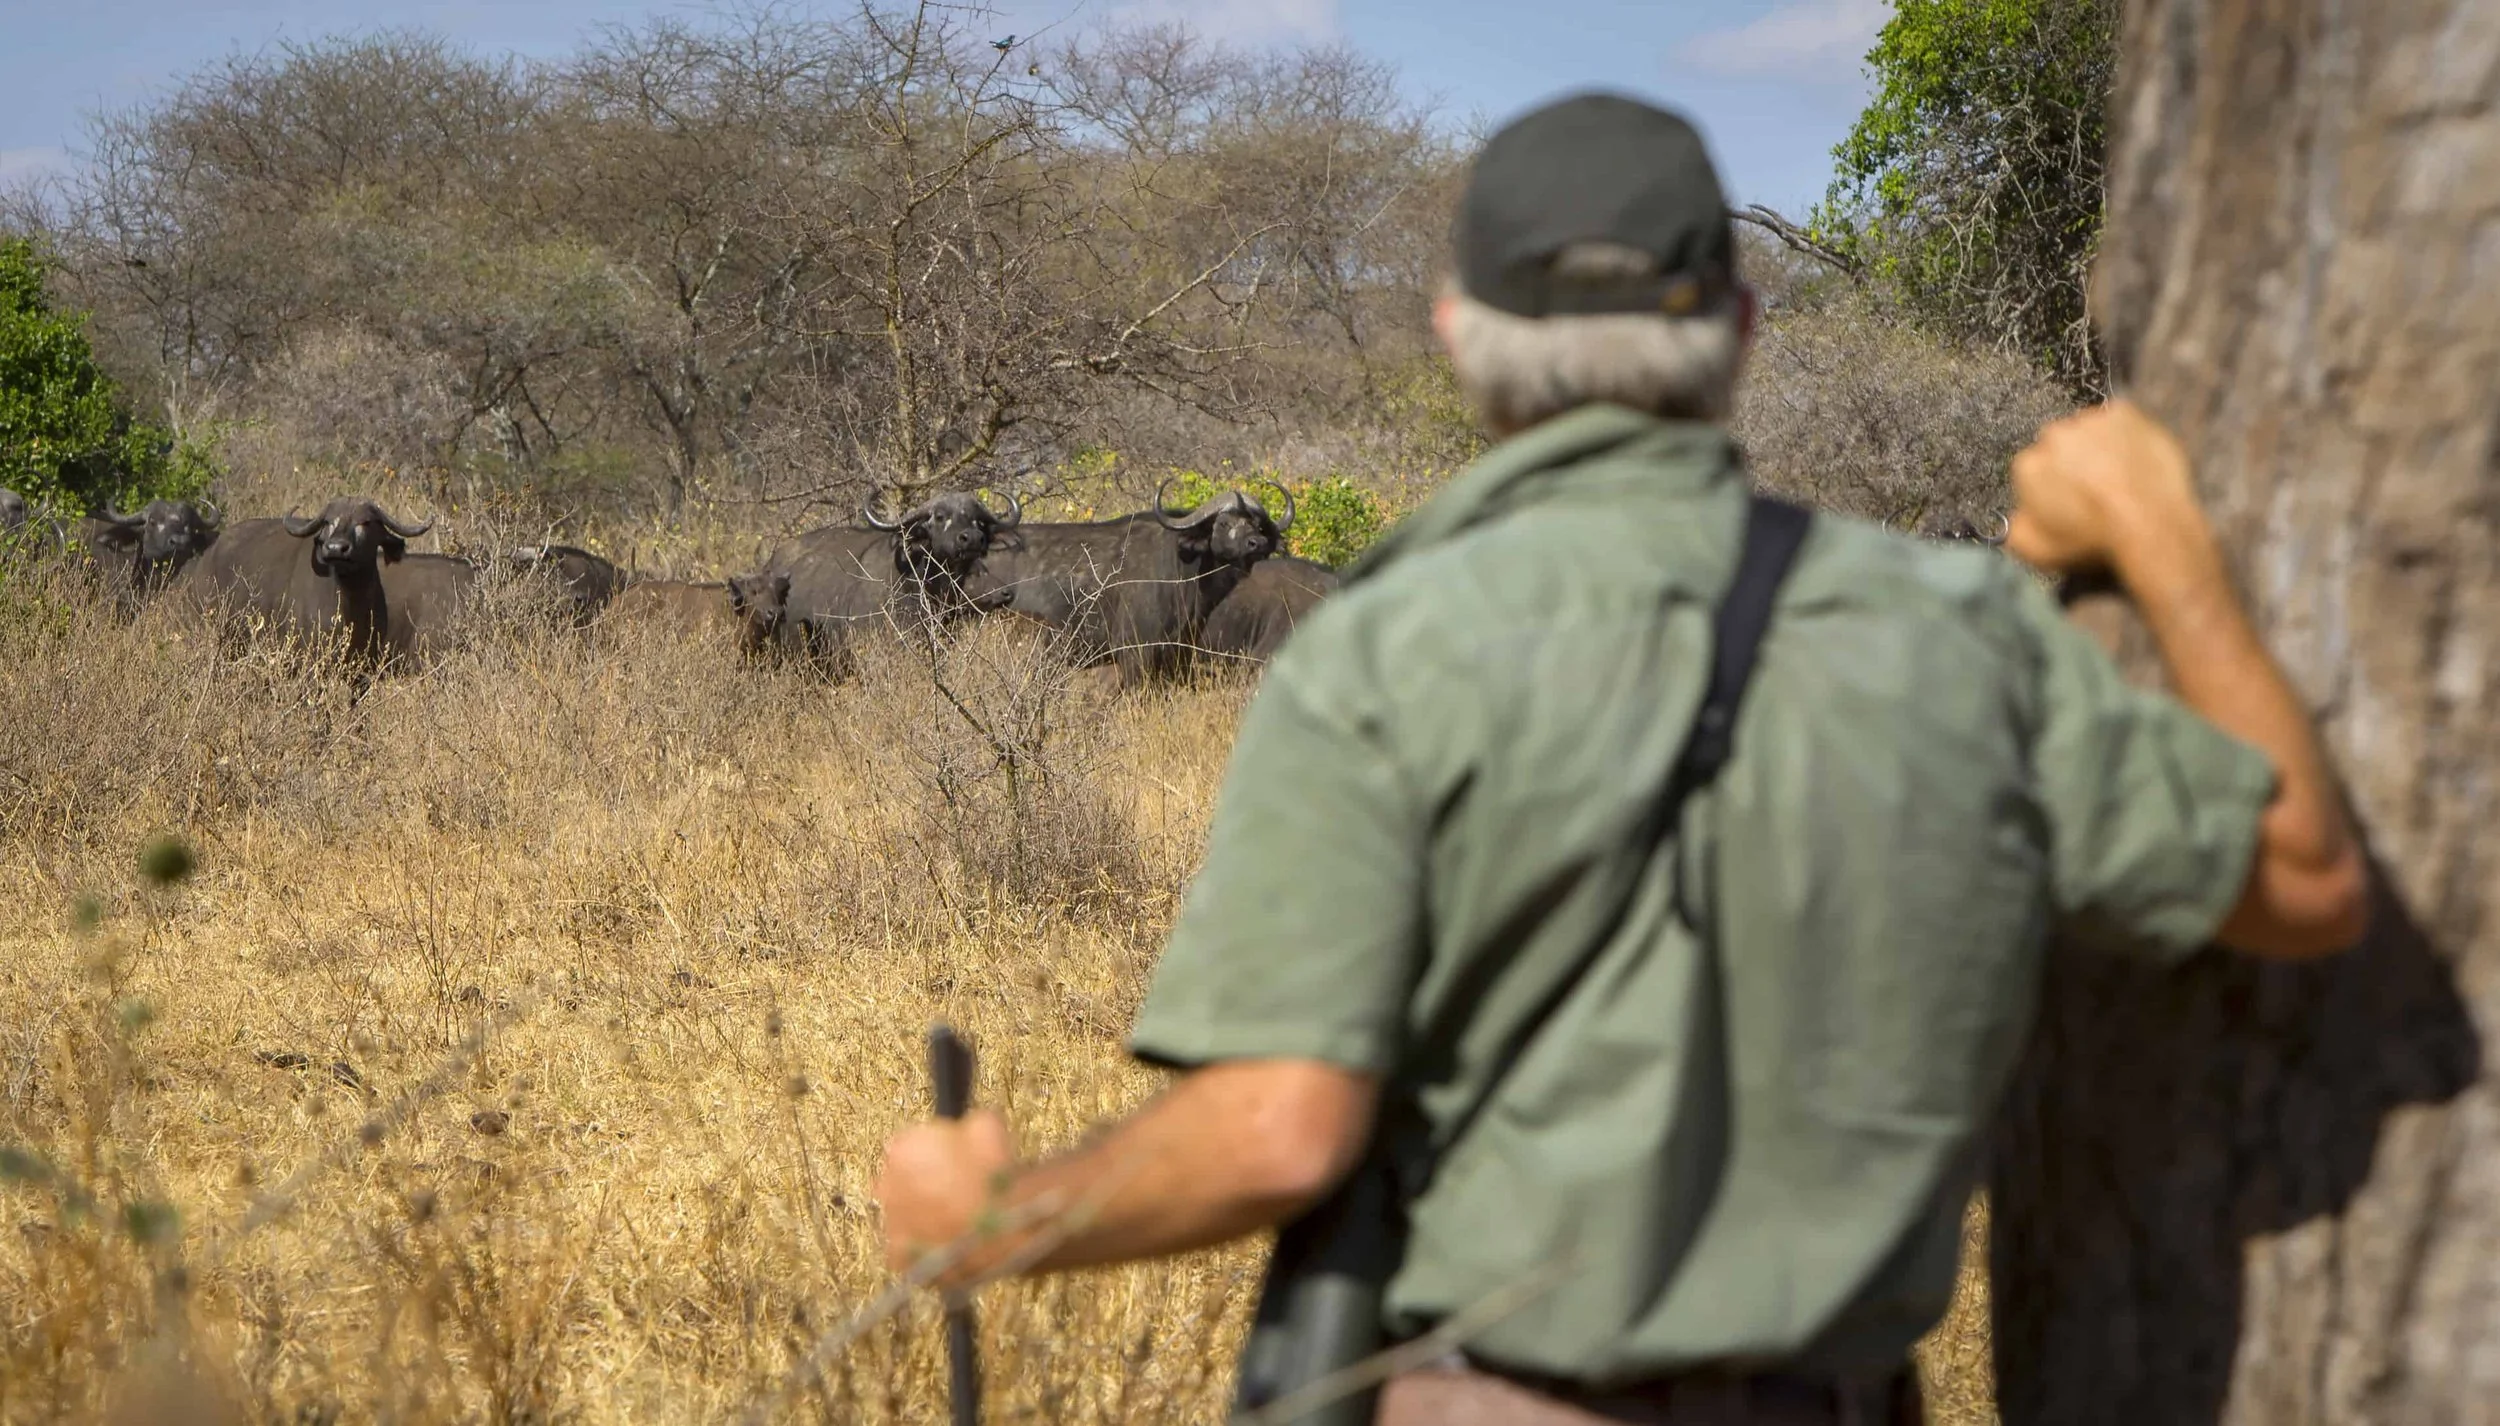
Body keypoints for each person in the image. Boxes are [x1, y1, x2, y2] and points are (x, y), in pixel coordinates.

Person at [875, 92, 2368, 1425]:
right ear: (1738, 332)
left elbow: (1280, 1127)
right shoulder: (1959, 626)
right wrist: (2173, 552)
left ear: (1459, 329)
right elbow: (2304, 877)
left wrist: (1006, 1209)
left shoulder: (1381, 651)